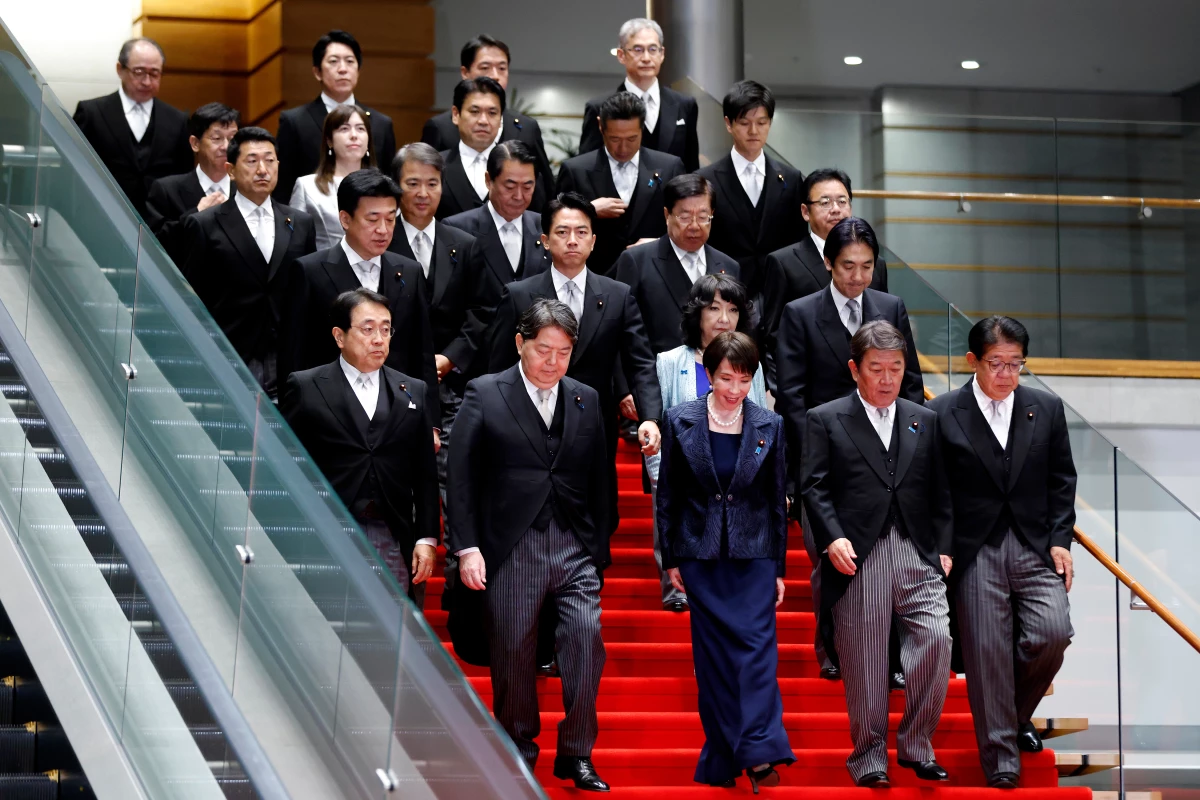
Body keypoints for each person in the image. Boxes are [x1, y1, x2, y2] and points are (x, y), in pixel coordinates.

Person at [448, 299, 612, 791]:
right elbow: (460, 476)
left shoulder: (585, 397)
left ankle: (577, 752)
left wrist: (598, 546)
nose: (553, 363)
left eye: (564, 353)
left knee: (586, 640)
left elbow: (600, 478)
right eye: (544, 350)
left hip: (574, 544)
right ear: (521, 344)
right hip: (512, 544)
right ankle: (518, 747)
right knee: (514, 652)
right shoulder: (485, 392)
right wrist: (467, 547)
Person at [800, 321, 953, 788]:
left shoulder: (923, 418)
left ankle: (916, 742)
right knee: (865, 661)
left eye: (896, 368)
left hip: (916, 550)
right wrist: (831, 538)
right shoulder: (826, 418)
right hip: (859, 552)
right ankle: (868, 757)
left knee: (937, 641)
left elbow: (943, 491)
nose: (887, 379)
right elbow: (814, 487)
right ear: (854, 369)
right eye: (876, 369)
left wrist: (944, 549)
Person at [928, 315, 1076, 790]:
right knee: (987, 650)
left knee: (1052, 632)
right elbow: (937, 491)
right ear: (973, 361)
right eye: (997, 363)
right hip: (974, 549)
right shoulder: (943, 413)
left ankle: (1011, 719)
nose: (1008, 375)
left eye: (1017, 364)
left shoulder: (1046, 409)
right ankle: (1001, 761)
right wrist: (943, 549)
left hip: (1034, 544)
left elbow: (1061, 481)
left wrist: (1060, 539)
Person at [774, 217, 922, 682]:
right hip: (827, 456)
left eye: (866, 266)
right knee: (832, 558)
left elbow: (910, 381)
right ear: (827, 264)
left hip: (886, 453)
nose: (857, 277)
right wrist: (808, 461)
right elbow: (793, 397)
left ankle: (894, 658)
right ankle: (832, 646)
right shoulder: (800, 313)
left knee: (892, 556)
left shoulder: (890, 306)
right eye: (847, 266)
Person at [657, 331, 793, 789]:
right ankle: (723, 753)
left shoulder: (768, 424)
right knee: (714, 660)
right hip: (700, 555)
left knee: (757, 655)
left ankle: (757, 748)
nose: (735, 389)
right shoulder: (680, 420)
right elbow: (669, 495)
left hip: (753, 556)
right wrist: (672, 556)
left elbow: (778, 500)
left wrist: (778, 566)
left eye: (744, 379)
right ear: (708, 375)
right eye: (725, 378)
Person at [488, 192, 663, 533]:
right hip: (529, 423)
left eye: (581, 232)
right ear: (544, 240)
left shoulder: (617, 294)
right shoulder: (519, 294)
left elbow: (640, 362)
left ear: (594, 240)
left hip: (594, 426)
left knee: (596, 516)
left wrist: (650, 417)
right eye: (562, 232)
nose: (572, 241)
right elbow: (497, 368)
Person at [281, 288, 439, 598]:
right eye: (368, 329)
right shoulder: (306, 386)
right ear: (340, 336)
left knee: (390, 632)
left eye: (386, 328)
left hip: (391, 532)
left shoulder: (414, 391)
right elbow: (286, 464)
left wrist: (427, 538)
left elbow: (425, 473)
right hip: (325, 530)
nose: (379, 339)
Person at [281, 168, 438, 429]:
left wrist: (431, 422)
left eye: (390, 219)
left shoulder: (409, 271)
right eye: (372, 219)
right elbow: (294, 353)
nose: (383, 230)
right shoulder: (310, 271)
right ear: (345, 219)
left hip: (397, 412)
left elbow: (421, 349)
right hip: (330, 414)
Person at [648, 275, 767, 611]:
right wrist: (661, 475)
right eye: (714, 308)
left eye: (731, 310)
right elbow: (661, 422)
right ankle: (677, 589)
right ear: (697, 313)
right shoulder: (671, 361)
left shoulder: (749, 363)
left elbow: (758, 420)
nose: (723, 319)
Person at [181, 127, 316, 399]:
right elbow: (192, 298)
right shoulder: (204, 224)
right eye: (252, 161)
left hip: (287, 353)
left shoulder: (300, 223)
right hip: (230, 350)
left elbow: (307, 292)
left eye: (270, 160)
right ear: (230, 170)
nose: (263, 169)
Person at [387, 142, 477, 539]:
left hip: (450, 385)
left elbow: (481, 313)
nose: (423, 194)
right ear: (396, 186)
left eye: (432, 183)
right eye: (413, 183)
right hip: (393, 379)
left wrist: (450, 358)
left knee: (455, 484)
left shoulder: (464, 243)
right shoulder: (382, 241)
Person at [762, 168, 888, 385]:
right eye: (825, 202)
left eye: (842, 201)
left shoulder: (877, 265)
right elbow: (774, 336)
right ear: (805, 211)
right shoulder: (783, 262)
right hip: (813, 389)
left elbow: (883, 325)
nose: (836, 209)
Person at [443, 141, 550, 378]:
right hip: (475, 365)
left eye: (528, 186)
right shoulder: (457, 230)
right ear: (489, 180)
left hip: (536, 366)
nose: (519, 196)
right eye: (510, 186)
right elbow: (450, 308)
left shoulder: (545, 227)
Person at [698, 80, 804, 322]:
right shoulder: (705, 180)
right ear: (728, 123)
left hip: (780, 296)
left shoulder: (791, 178)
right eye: (744, 123)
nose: (754, 131)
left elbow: (798, 241)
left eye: (762, 123)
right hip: (723, 295)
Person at [557, 93, 685, 276]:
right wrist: (588, 210)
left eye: (632, 139)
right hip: (594, 277)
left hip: (654, 274)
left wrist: (661, 243)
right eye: (614, 139)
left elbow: (684, 220)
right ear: (601, 127)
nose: (623, 148)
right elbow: (555, 226)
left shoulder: (670, 167)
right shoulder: (575, 170)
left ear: (642, 129)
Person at [613, 174, 740, 354]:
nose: (695, 226)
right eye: (685, 217)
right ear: (667, 214)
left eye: (703, 217)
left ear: (712, 214)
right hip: (654, 375)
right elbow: (624, 332)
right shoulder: (637, 261)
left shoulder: (729, 266)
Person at [420, 35, 556, 202]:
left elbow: (546, 190)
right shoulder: (441, 126)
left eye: (502, 68)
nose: (495, 75)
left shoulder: (526, 127)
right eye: (485, 67)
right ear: (465, 72)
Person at [73, 38, 192, 218]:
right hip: (100, 216)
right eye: (139, 72)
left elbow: (184, 177)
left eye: (154, 74)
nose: (146, 81)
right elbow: (75, 170)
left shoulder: (178, 120)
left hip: (159, 224)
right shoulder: (91, 113)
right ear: (120, 69)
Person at [274, 30, 397, 202]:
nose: (343, 69)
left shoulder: (380, 123)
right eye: (333, 62)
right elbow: (284, 185)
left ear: (358, 70)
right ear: (317, 72)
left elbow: (390, 182)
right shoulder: (295, 121)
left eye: (350, 61)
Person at [579, 18, 699, 171]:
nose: (646, 58)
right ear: (621, 55)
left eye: (653, 49)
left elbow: (691, 164)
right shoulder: (599, 107)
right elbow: (587, 166)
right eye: (638, 50)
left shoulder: (685, 104)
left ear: (662, 54)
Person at [435, 78, 546, 219]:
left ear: (501, 119)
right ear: (456, 114)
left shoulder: (525, 170)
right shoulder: (436, 167)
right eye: (474, 112)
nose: (483, 121)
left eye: (492, 113)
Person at [145, 102, 240, 262]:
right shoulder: (167, 189)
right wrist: (196, 213)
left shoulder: (247, 189)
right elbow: (153, 245)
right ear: (195, 144)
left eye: (232, 139)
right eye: (217, 138)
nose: (226, 146)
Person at [289, 104, 375, 249]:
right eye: (344, 129)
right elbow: (294, 241)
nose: (354, 135)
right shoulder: (307, 186)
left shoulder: (384, 187)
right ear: (329, 141)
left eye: (360, 129)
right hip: (323, 268)